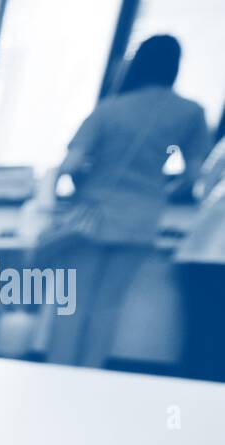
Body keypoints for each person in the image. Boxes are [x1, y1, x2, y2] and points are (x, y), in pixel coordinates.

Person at [41, 35, 211, 368]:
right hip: (141, 217)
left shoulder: (109, 109)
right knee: (108, 307)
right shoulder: (189, 113)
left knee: (72, 306)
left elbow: (70, 166)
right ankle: (88, 382)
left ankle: (56, 380)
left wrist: (83, 183)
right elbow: (193, 174)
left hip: (91, 215)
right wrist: (159, 188)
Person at [175, 133, 225, 381]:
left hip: (201, 253)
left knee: (202, 337)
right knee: (213, 341)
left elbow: (202, 184)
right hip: (210, 254)